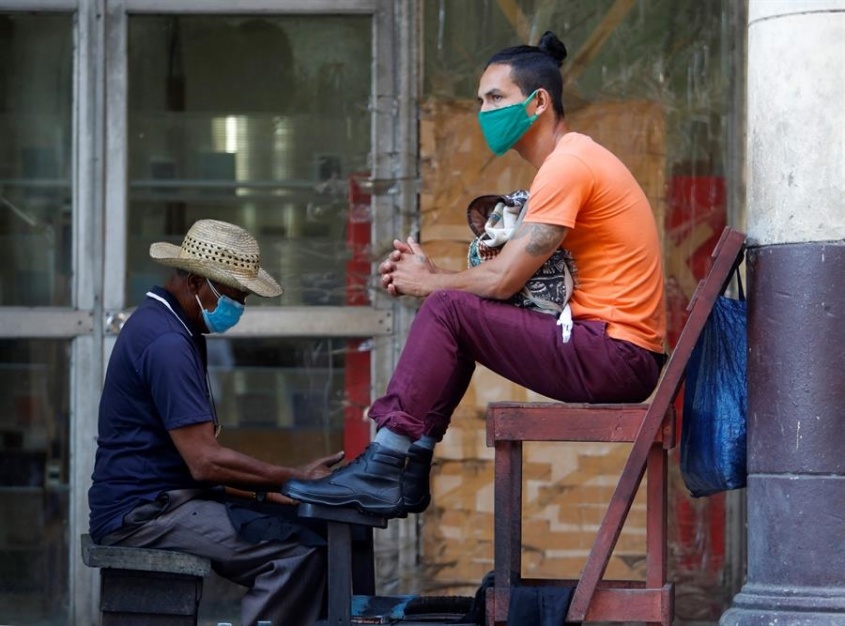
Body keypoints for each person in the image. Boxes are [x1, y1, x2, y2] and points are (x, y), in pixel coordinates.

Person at [282, 31, 666, 520]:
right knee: (456, 314)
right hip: (609, 351)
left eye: (496, 98)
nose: (484, 111)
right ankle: (408, 467)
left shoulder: (569, 165)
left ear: (538, 103)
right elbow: (504, 284)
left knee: (448, 308)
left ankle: (384, 465)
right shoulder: (570, 160)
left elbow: (504, 281)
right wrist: (432, 274)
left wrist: (428, 283)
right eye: (480, 101)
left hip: (615, 355)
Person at [87, 219, 344, 626]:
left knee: (305, 529)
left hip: (167, 497)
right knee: (295, 553)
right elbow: (204, 462)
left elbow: (189, 463)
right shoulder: (168, 343)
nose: (239, 307)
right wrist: (294, 479)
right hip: (144, 515)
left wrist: (269, 493)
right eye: (234, 295)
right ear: (195, 282)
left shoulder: (171, 325)